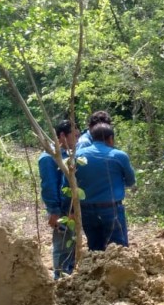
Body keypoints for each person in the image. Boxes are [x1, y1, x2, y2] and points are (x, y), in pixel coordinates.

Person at [75, 123, 136, 251]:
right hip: (111, 209)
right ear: (110, 138)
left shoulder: (77, 156)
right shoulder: (119, 155)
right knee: (118, 250)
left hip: (86, 210)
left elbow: (69, 184)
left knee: (95, 248)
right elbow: (130, 181)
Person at [39, 120, 79, 279]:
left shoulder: (67, 155)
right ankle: (60, 281)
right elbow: (49, 186)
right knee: (63, 248)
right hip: (62, 212)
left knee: (73, 247)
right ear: (62, 135)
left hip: (71, 211)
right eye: (74, 136)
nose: (76, 140)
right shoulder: (48, 158)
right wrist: (55, 212)